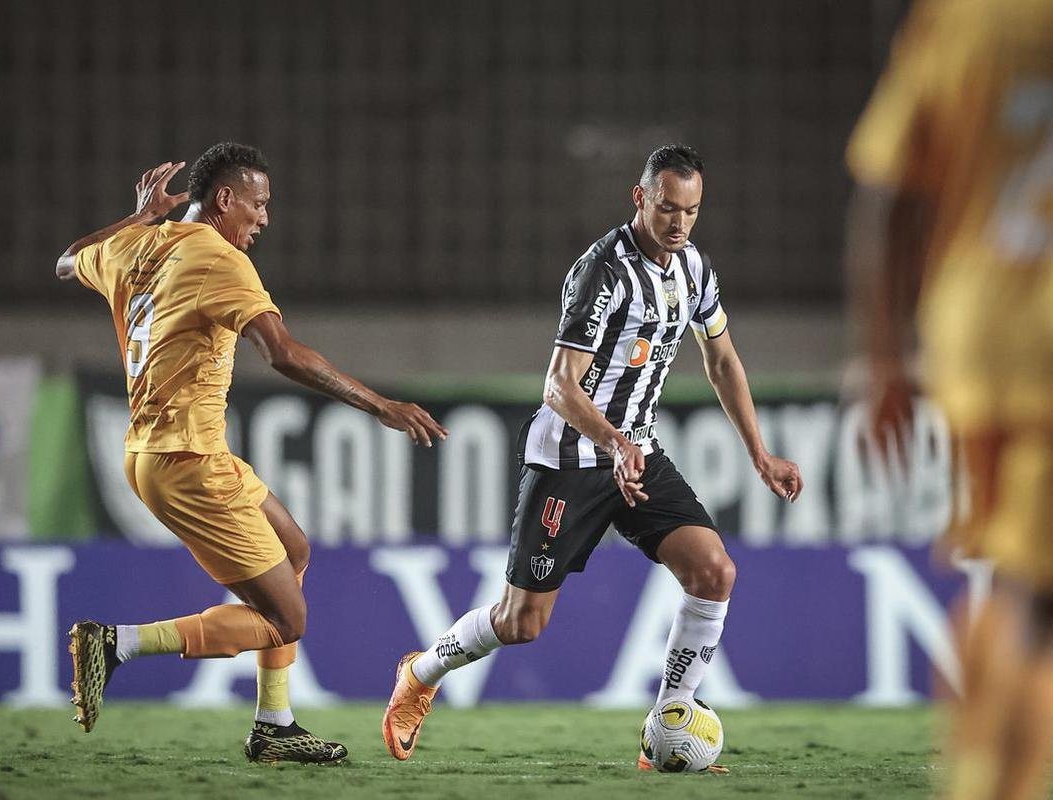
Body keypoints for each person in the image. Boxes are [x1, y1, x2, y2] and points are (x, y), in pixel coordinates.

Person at [382, 144, 803, 768]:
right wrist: (614, 443)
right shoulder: (602, 272)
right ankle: (421, 671)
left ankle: (671, 716)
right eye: (667, 208)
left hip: (638, 452)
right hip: (571, 459)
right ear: (640, 198)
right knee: (523, 621)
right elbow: (559, 385)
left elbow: (721, 360)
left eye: (691, 211)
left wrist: (760, 453)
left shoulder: (696, 271)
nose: (679, 223)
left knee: (714, 572)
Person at [56, 143, 448, 764]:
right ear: (225, 199)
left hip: (164, 452)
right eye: (259, 204)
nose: (264, 219)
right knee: (286, 621)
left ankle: (275, 724)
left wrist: (139, 216)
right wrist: (381, 406)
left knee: (294, 550)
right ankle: (116, 643)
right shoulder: (220, 259)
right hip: (186, 461)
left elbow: (67, 260)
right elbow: (285, 354)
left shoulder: (138, 247)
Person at [846, 1, 1053, 797]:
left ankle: (983, 762)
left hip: (970, 333)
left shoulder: (960, 20)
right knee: (1038, 598)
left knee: (1011, 574)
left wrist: (883, 361)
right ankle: (990, 782)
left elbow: (886, 194)